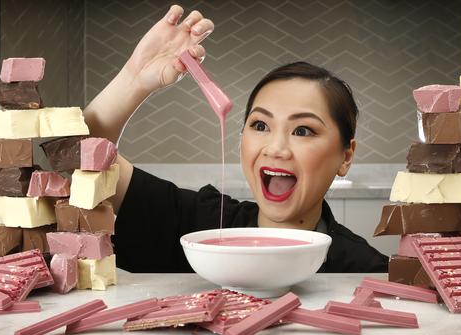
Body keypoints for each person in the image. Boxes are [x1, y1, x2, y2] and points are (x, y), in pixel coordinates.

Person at [83, 5, 388, 273]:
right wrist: (134, 79)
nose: (276, 148)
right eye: (260, 125)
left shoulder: (366, 270)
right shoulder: (199, 225)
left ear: (346, 156)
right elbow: (77, 159)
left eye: (302, 131)